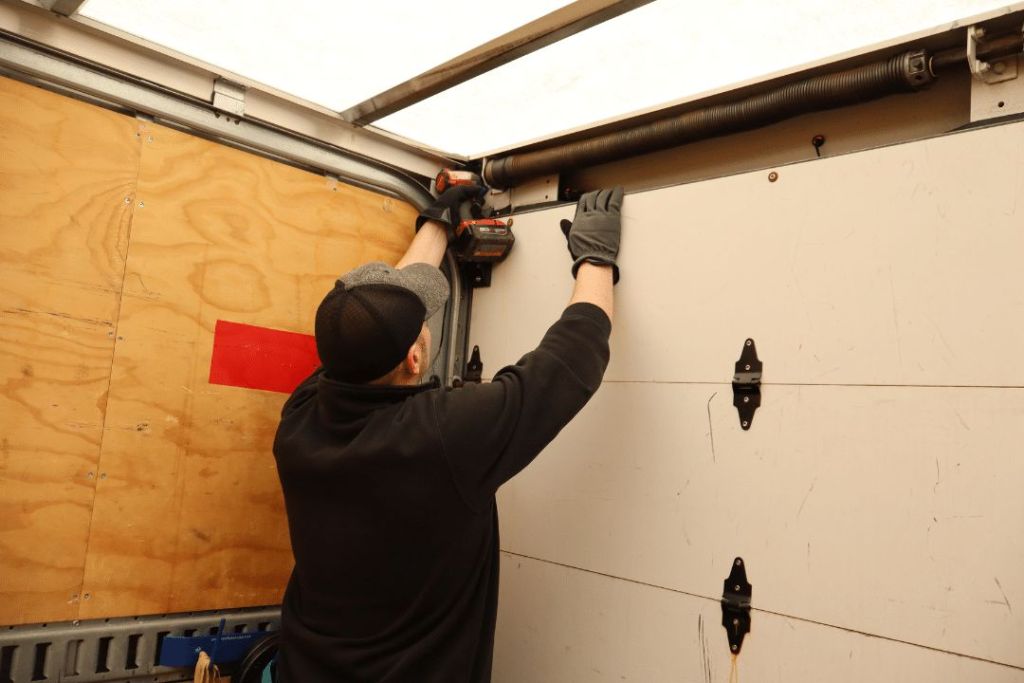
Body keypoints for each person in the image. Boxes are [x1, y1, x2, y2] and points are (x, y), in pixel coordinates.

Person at [271, 184, 624, 682]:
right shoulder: (441, 436)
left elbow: (372, 318)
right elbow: (571, 359)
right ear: (415, 358)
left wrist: (439, 219)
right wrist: (596, 259)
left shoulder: (300, 421)